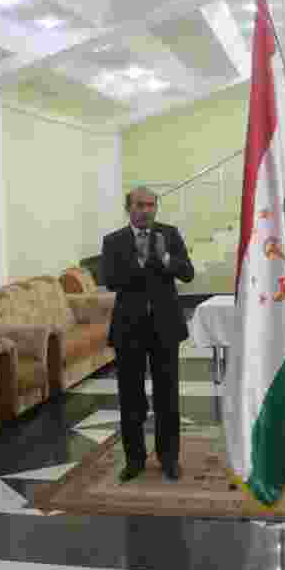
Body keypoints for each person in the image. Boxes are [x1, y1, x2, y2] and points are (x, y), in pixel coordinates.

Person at [101, 186, 195, 482]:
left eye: (151, 205)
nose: (146, 210)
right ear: (128, 207)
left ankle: (169, 458)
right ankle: (135, 460)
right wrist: (140, 262)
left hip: (165, 327)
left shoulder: (169, 234)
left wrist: (164, 258)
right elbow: (111, 280)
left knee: (168, 396)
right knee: (131, 398)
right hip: (129, 329)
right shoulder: (113, 241)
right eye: (140, 205)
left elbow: (187, 273)